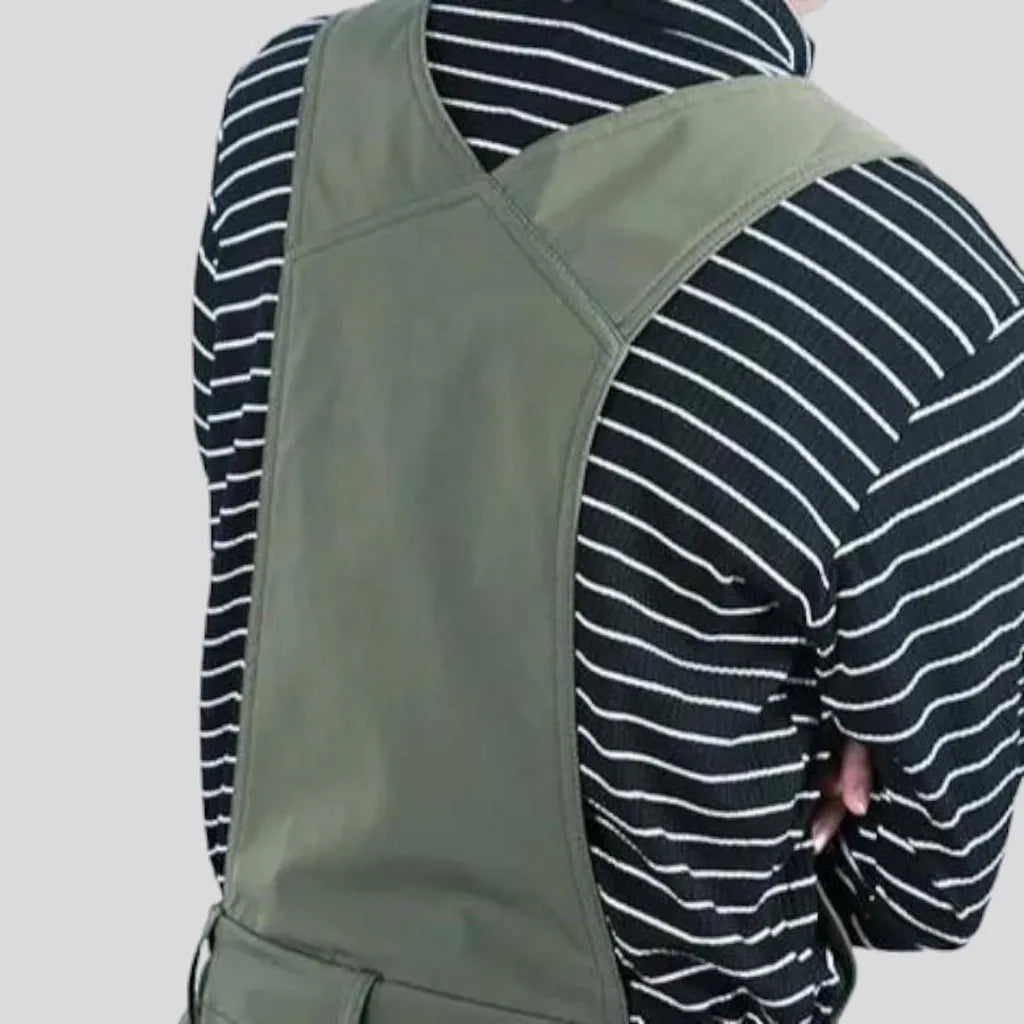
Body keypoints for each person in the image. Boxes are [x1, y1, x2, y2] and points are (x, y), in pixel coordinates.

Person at [190, 1, 1023, 1021]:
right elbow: (927, 881)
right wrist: (806, 743)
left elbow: (273, 546)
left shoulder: (292, 107)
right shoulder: (911, 272)